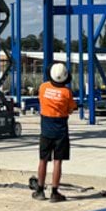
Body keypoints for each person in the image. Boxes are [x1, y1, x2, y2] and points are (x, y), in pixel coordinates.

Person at [32, 62, 76, 202]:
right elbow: (71, 108)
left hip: (46, 129)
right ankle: (54, 192)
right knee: (58, 161)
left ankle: (39, 190)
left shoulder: (43, 87)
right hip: (61, 130)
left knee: (43, 160)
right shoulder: (66, 93)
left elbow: (41, 101)